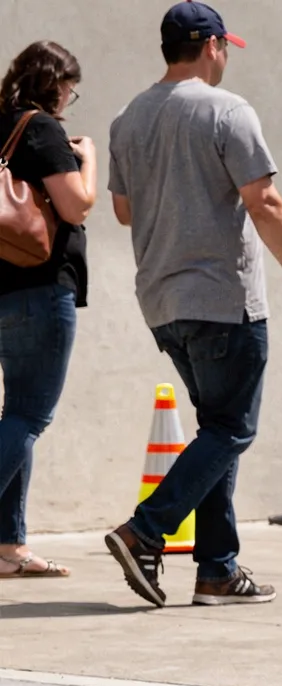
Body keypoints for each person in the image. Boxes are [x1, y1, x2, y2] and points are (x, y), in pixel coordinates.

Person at [101, 3, 282, 608]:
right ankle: (145, 529)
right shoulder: (227, 110)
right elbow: (264, 200)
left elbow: (123, 211)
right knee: (231, 430)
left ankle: (218, 571)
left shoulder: (128, 119)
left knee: (214, 431)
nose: (226, 57)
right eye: (225, 47)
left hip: (163, 303)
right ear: (212, 46)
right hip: (224, 299)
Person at [0, 41, 94, 579]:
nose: (69, 99)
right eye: (70, 89)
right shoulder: (42, 128)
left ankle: (9, 546)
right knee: (31, 415)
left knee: (16, 414)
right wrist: (88, 157)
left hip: (6, 289)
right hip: (41, 288)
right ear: (56, 83)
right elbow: (76, 205)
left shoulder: (5, 125)